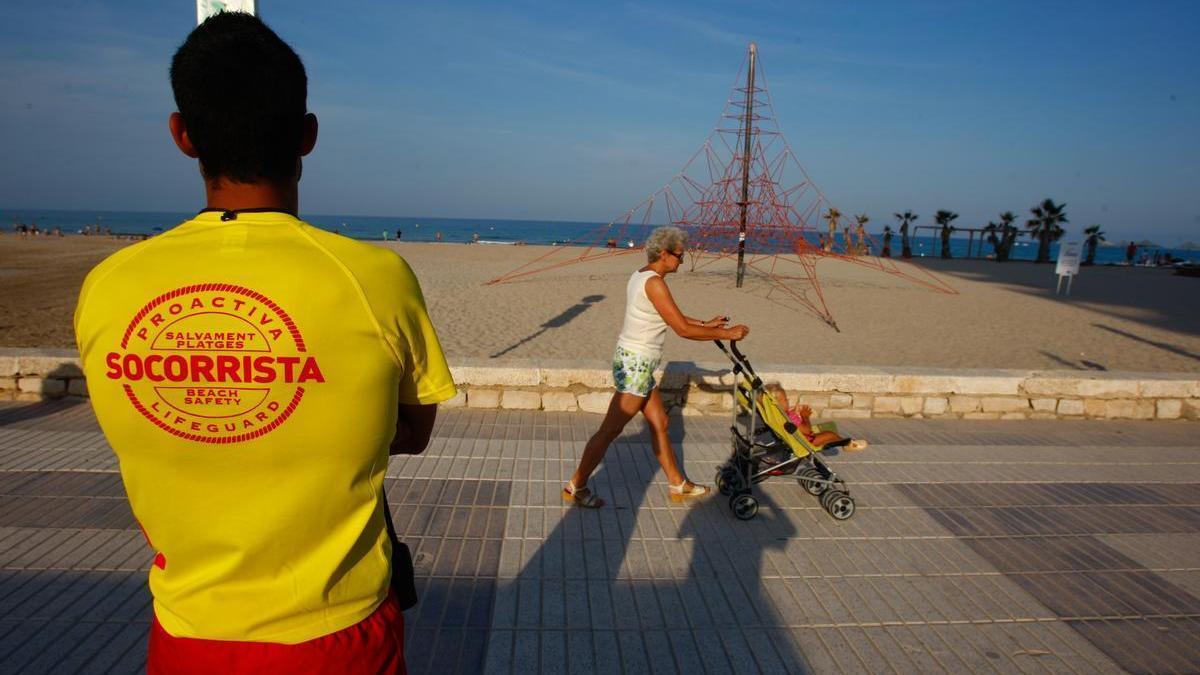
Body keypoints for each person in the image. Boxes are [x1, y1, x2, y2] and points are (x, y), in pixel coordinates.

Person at [73, 13, 456, 673]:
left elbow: (137, 425)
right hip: (339, 633)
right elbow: (413, 430)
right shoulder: (374, 277)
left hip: (187, 631)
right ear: (306, 135)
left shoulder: (109, 286)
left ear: (183, 135)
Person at [562, 226, 749, 507]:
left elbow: (674, 317)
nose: (682, 261)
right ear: (663, 253)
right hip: (636, 365)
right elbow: (681, 329)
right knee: (609, 431)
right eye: (679, 255)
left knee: (660, 423)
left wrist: (707, 324)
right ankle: (576, 485)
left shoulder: (643, 275)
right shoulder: (655, 283)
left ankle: (678, 484)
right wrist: (727, 334)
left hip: (636, 363)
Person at [765, 384, 867, 451]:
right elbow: (807, 430)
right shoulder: (788, 418)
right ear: (777, 403)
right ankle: (847, 444)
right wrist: (805, 417)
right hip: (803, 442)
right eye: (785, 400)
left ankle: (845, 442)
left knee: (828, 431)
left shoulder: (777, 415)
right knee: (829, 434)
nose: (788, 401)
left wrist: (794, 412)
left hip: (791, 438)